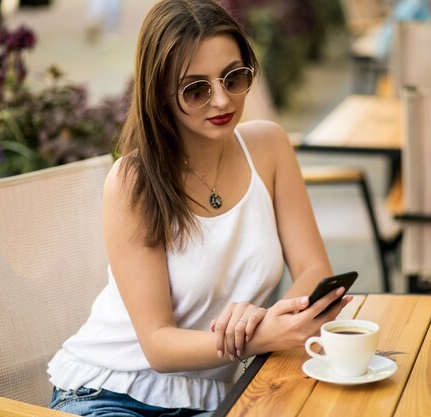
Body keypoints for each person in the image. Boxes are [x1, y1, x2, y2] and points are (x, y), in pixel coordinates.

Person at [47, 0, 353, 416]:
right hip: (111, 395)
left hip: (216, 398)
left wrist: (264, 318)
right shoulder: (134, 180)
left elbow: (315, 269)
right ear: (160, 93)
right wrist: (262, 332)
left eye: (234, 77)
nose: (222, 100)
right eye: (196, 89)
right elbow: (158, 345)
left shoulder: (269, 148)